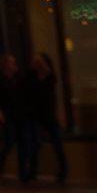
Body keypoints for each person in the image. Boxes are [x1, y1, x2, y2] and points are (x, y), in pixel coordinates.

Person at [26, 53, 67, 183]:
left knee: (57, 144)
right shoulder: (31, 77)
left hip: (48, 115)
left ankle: (62, 171)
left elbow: (50, 90)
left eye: (40, 62)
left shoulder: (50, 77)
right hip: (36, 115)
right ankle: (32, 172)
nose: (38, 64)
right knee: (35, 144)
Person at [0, 54, 30, 181]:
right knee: (9, 141)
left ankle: (23, 173)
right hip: (7, 113)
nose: (13, 65)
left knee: (23, 142)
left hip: (20, 113)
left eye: (14, 62)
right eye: (10, 62)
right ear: (5, 65)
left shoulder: (19, 78)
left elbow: (24, 95)